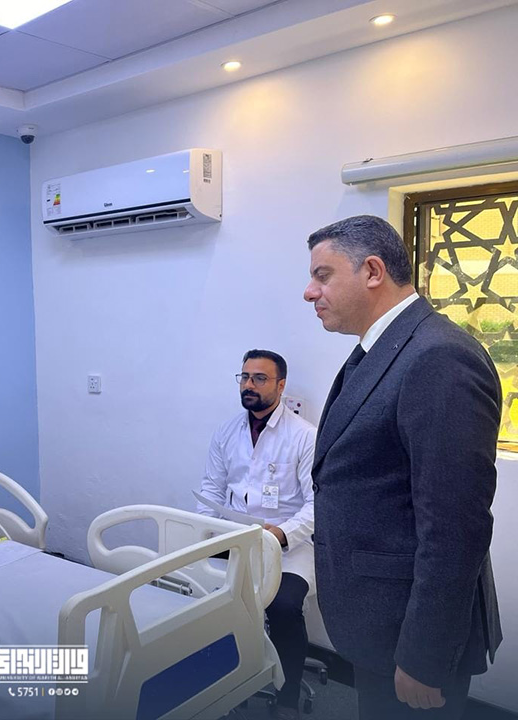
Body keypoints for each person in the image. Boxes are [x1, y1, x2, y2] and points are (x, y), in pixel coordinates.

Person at [303, 215, 502, 718]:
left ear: (372, 271)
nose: (310, 292)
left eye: (323, 276)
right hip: (376, 621)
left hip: (409, 636)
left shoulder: (439, 357)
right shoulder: (383, 349)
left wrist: (424, 657)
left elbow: (455, 528)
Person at [198, 349, 316, 720]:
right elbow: (211, 489)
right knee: (210, 597)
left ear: (281, 386)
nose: (249, 385)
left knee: (283, 608)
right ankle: (224, 684)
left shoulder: (304, 436)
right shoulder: (227, 431)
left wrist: (280, 534)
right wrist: (205, 531)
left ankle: (288, 697)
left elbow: (317, 505)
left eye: (260, 378)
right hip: (234, 539)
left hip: (288, 547)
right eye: (245, 377)